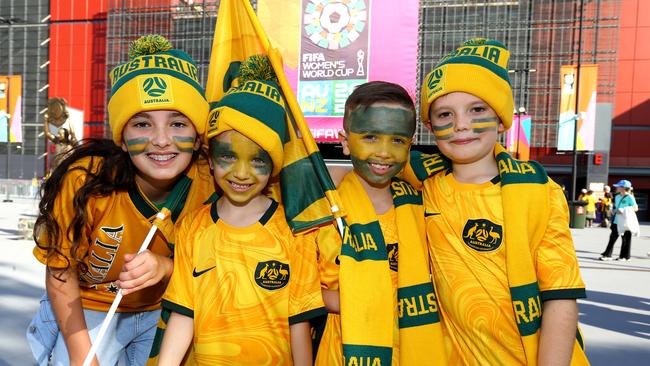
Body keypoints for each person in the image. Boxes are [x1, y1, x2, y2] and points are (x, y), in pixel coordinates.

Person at [26, 35, 214, 366]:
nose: (160, 140)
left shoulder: (210, 182)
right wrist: (84, 353)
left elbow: (219, 265)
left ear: (198, 137)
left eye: (178, 123)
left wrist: (166, 267)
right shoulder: (85, 181)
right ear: (123, 139)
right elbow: (60, 271)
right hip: (84, 309)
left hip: (164, 310)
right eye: (142, 123)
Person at [413, 38, 589, 365]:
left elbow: (561, 297)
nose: (461, 124)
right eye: (444, 114)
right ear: (429, 126)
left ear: (501, 117)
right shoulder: (422, 186)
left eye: (477, 109)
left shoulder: (538, 191)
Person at [157, 67, 325, 365]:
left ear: (274, 165)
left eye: (258, 160)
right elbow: (184, 312)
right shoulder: (193, 227)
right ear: (209, 158)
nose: (242, 173)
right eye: (228, 156)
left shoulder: (294, 231)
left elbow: (299, 321)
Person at [314, 81, 445, 365]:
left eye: (397, 140)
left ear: (410, 146)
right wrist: (370, 297)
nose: (384, 152)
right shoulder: (325, 207)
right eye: (371, 137)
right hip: (344, 349)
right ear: (346, 142)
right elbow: (304, 289)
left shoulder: (423, 203)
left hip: (413, 347)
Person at [599, 180, 639, 261]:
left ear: (623, 188)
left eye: (618, 186)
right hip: (616, 221)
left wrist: (623, 210)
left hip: (626, 221)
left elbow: (636, 208)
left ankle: (625, 256)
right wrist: (613, 211)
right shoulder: (617, 197)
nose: (616, 187)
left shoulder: (630, 197)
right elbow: (616, 208)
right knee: (612, 238)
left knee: (626, 239)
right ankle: (607, 255)